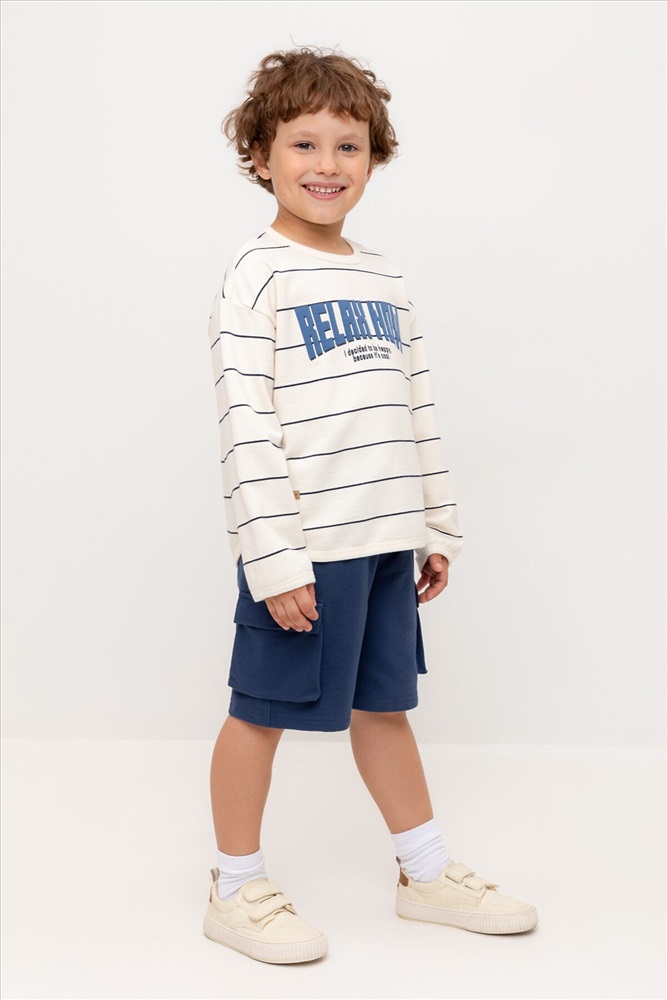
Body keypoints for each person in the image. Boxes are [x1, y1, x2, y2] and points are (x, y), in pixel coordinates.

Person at [204, 47, 538, 965]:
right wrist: (273, 558)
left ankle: (423, 872)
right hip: (305, 547)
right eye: (303, 143)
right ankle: (233, 887)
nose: (326, 164)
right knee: (261, 711)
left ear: (374, 158)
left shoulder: (385, 278)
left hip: (387, 536)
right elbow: (245, 424)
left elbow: (413, 404)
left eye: (347, 146)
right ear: (261, 155)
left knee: (384, 708)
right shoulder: (256, 273)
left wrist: (436, 526)